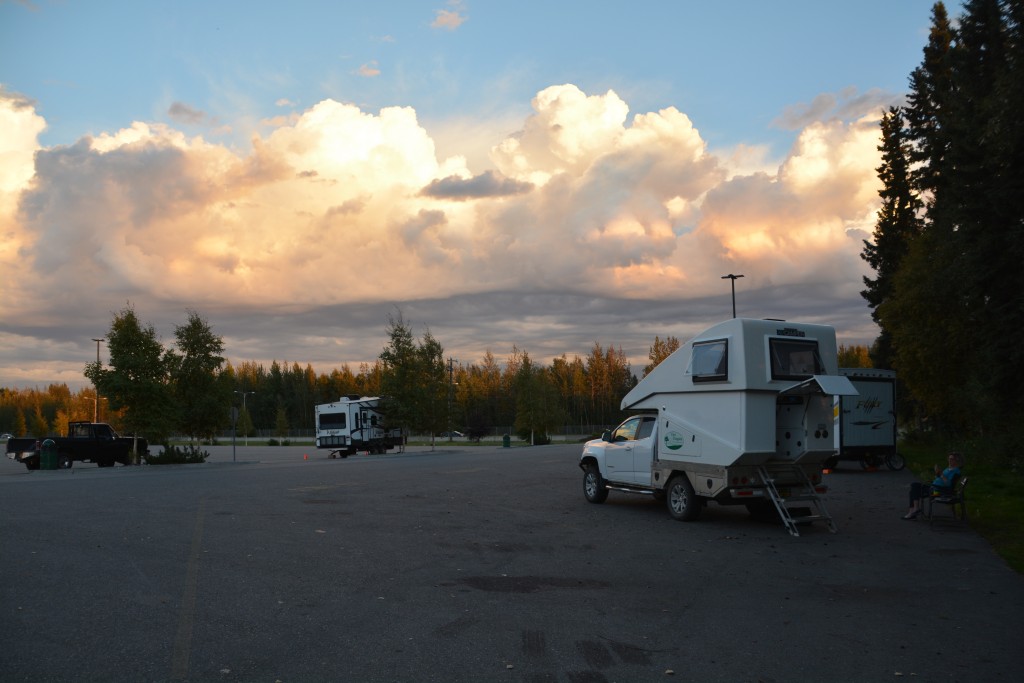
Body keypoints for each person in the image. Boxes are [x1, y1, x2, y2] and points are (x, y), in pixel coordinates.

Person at [902, 452, 964, 519]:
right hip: (935, 488)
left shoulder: (955, 471)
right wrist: (937, 473)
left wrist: (941, 474)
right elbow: (941, 478)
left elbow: (948, 483)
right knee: (914, 487)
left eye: (952, 459)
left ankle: (913, 511)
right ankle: (913, 511)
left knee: (914, 489)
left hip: (938, 492)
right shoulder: (948, 468)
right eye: (949, 458)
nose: (949, 460)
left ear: (957, 460)